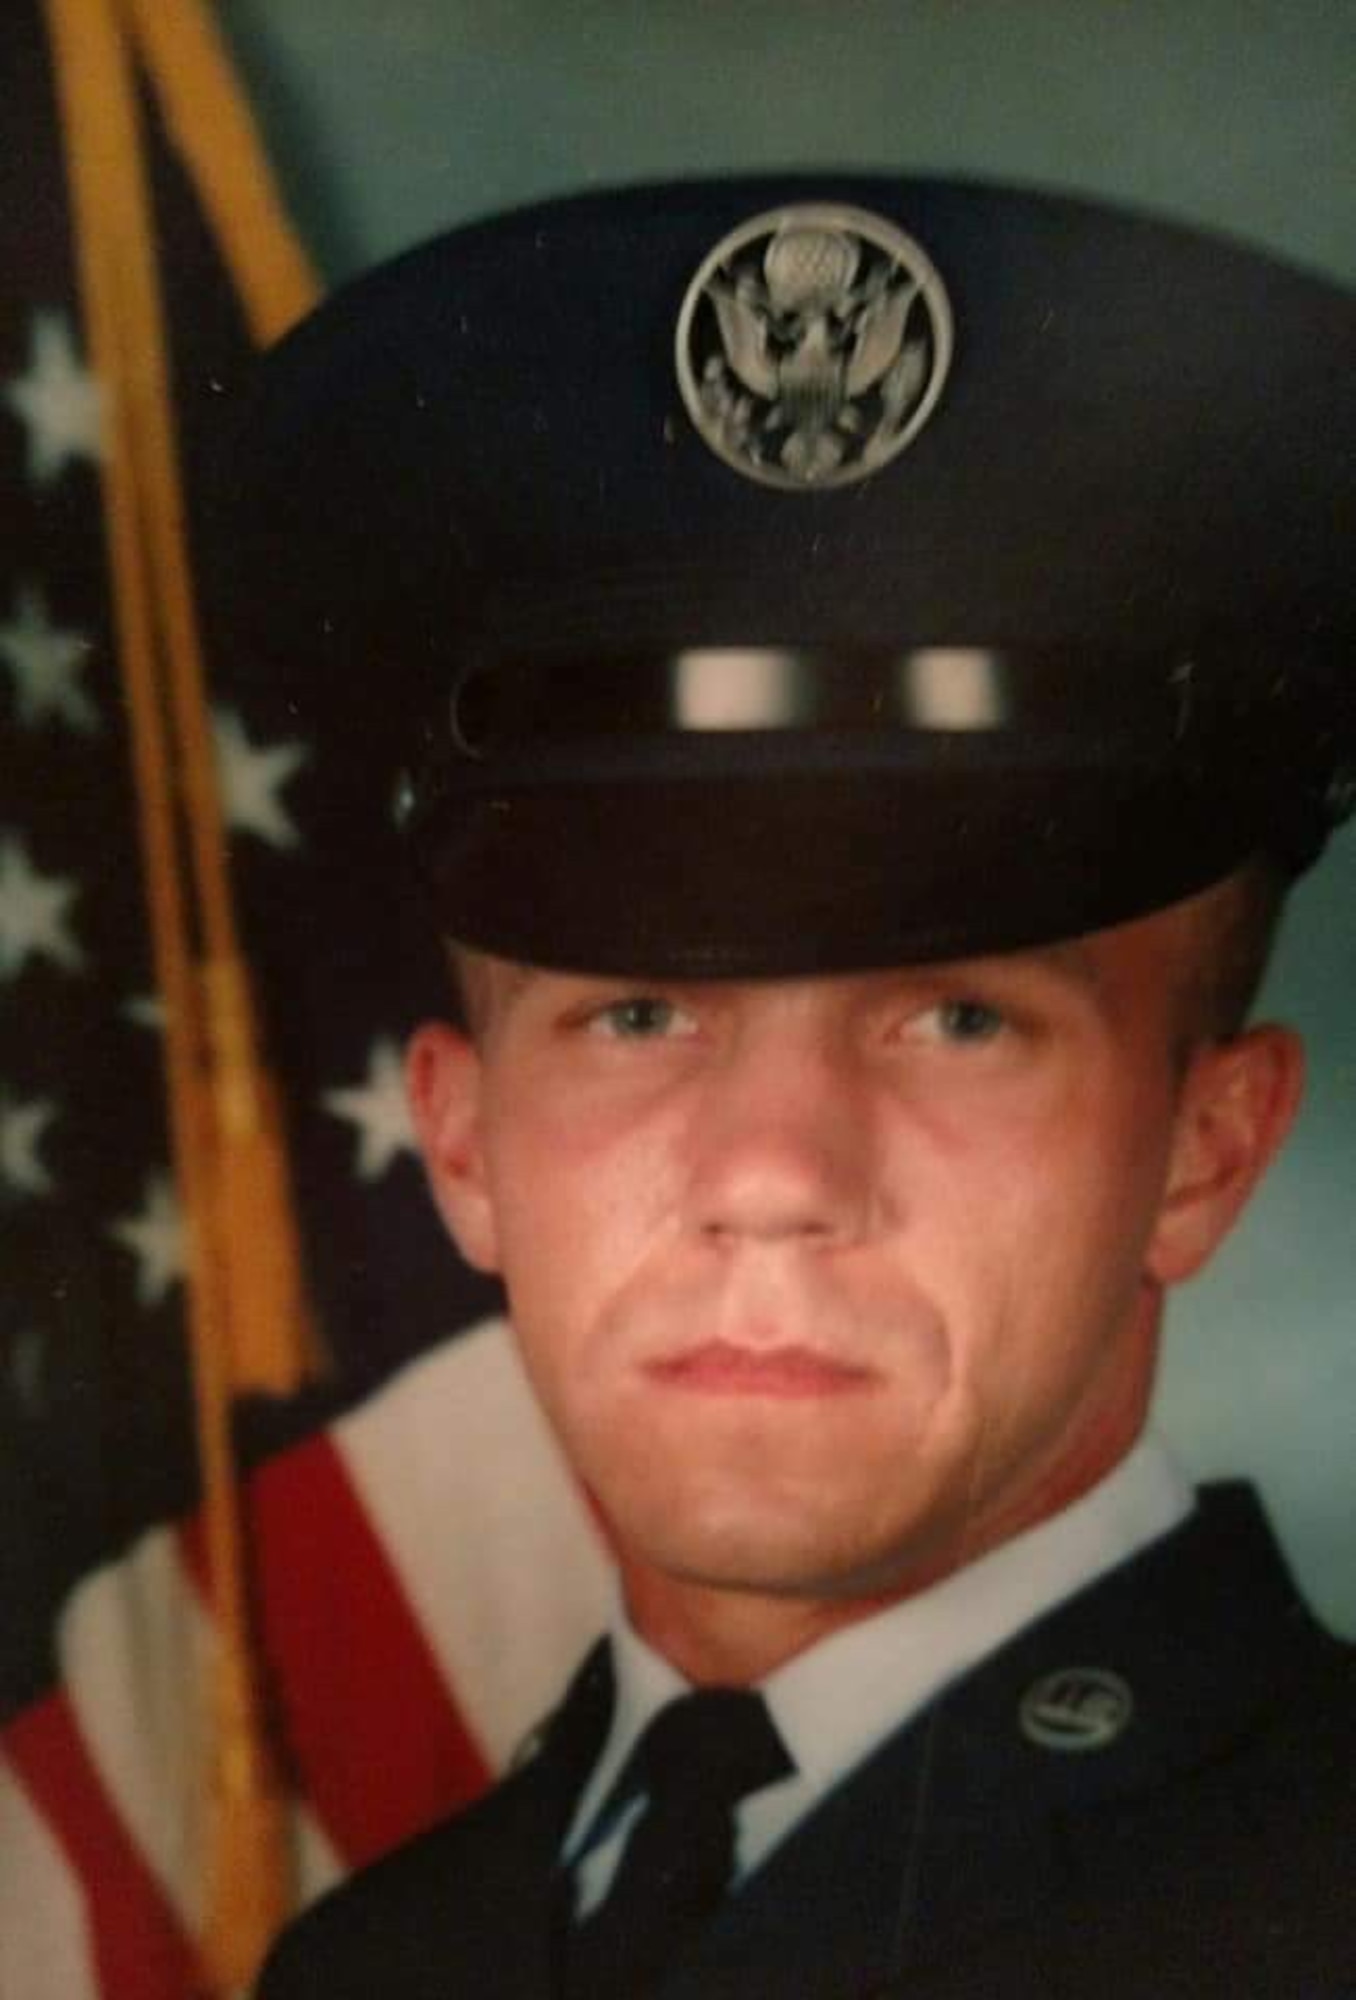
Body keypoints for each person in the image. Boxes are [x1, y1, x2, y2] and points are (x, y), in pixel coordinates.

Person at [234, 176, 1356, 1997]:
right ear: (462, 1140)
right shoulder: (371, 1969)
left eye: (958, 1021)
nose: (769, 1171)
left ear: (1205, 1154)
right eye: (639, 1016)